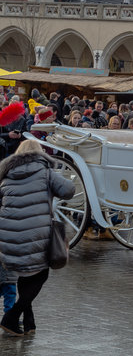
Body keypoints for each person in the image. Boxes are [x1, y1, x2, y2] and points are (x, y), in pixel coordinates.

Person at [0, 138, 75, 336]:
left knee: (25, 274)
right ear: (40, 153)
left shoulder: (6, 174)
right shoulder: (45, 171)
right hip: (35, 235)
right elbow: (69, 191)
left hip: (7, 237)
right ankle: (11, 317)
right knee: (40, 274)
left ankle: (29, 322)